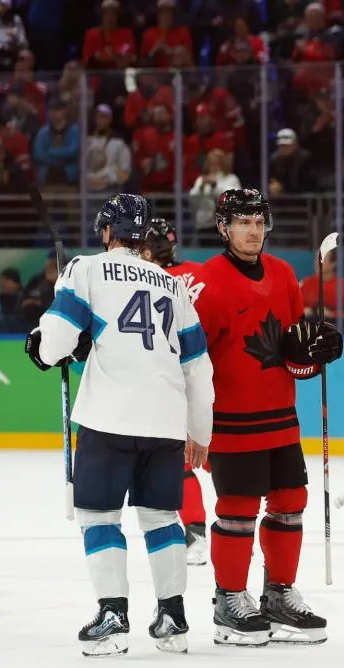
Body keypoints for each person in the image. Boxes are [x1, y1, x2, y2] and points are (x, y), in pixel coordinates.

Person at [24, 194, 214, 656]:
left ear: (106, 231)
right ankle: (173, 617)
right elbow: (198, 367)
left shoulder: (84, 269)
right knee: (161, 518)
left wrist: (43, 349)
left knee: (99, 517)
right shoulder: (173, 285)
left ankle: (112, 615)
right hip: (166, 421)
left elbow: (56, 339)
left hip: (109, 416)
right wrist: (200, 432)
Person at [193, 188, 344, 646]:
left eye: (259, 222)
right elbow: (191, 360)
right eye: (243, 222)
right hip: (230, 420)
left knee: (291, 502)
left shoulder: (282, 275)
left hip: (280, 418)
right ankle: (229, 600)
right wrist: (193, 424)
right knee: (237, 511)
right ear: (224, 228)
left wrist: (314, 356)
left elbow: (293, 356)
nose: (254, 231)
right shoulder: (207, 282)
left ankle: (278, 594)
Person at [142, 217, 208, 565]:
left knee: (183, 460)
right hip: (209, 376)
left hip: (177, 379)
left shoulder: (149, 279)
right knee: (221, 460)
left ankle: (197, 535)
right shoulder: (200, 271)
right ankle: (241, 528)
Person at [300, 233, 344, 321]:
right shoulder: (305, 284)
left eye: (322, 259)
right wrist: (303, 312)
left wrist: (333, 315)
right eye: (316, 258)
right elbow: (290, 310)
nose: (317, 262)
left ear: (333, 263)